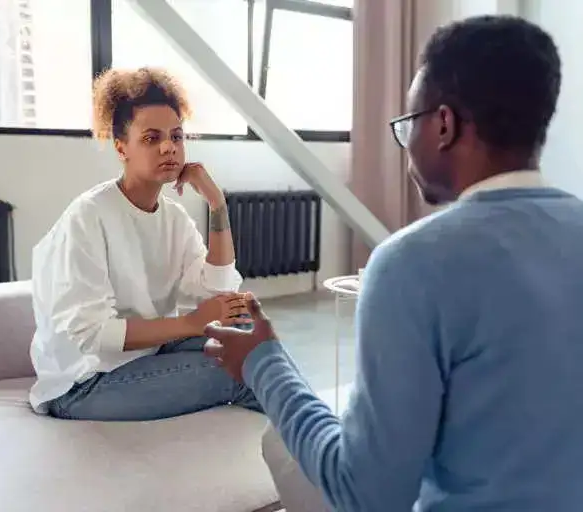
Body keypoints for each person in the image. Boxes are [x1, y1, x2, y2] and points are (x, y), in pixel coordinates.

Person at [204, 15, 583, 512]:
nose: (405, 146)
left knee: (281, 445)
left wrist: (263, 361)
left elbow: (367, 496)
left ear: (444, 125)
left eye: (408, 125)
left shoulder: (412, 264)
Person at [28, 67, 261, 421]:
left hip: (147, 355)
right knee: (243, 371)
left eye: (177, 137)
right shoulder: (89, 216)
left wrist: (217, 203)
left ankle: (318, 456)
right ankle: (317, 462)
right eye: (152, 139)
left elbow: (219, 288)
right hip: (84, 383)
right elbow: (93, 335)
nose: (169, 146)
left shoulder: (174, 217)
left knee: (254, 339)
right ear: (122, 148)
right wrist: (193, 323)